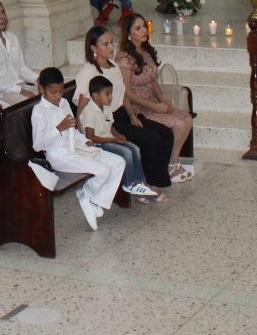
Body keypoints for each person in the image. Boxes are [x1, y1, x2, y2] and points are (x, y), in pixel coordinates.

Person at [76, 24, 174, 191]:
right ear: (93, 48)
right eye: (105, 44)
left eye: (111, 42)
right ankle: (150, 184)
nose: (111, 47)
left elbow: (122, 94)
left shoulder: (113, 66)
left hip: (122, 114)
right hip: (108, 121)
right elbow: (82, 105)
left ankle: (157, 177)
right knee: (151, 139)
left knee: (165, 133)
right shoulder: (89, 72)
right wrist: (82, 135)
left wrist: (132, 115)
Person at [30, 67, 126, 231]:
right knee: (103, 171)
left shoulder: (64, 103)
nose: (58, 96)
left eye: (60, 91)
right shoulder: (39, 112)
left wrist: (85, 140)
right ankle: (86, 196)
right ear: (42, 89)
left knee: (118, 162)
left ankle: (92, 199)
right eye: (53, 92)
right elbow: (37, 145)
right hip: (59, 155)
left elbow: (73, 131)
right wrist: (58, 128)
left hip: (77, 147)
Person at [117, 13, 193, 183]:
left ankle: (173, 161)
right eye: (138, 28)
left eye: (144, 26)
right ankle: (170, 165)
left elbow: (153, 81)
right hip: (138, 108)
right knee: (179, 124)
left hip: (152, 102)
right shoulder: (124, 58)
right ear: (128, 33)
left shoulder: (145, 51)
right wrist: (154, 106)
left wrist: (163, 100)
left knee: (187, 119)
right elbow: (126, 92)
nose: (144, 30)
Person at [78, 75, 160, 201]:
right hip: (97, 145)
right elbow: (91, 137)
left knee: (135, 148)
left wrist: (118, 135)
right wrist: (113, 140)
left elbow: (109, 126)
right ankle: (129, 184)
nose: (111, 97)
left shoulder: (106, 108)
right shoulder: (89, 111)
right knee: (126, 153)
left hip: (109, 140)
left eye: (111, 93)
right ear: (95, 96)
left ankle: (138, 182)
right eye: (107, 94)